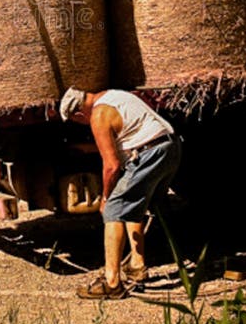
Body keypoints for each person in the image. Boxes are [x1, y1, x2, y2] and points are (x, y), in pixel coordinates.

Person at [59, 86, 182, 300]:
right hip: (170, 146)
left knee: (115, 209)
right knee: (135, 204)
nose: (80, 124)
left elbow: (112, 166)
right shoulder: (114, 95)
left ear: (79, 113)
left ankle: (112, 282)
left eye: (75, 120)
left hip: (149, 152)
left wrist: (105, 198)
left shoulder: (98, 115)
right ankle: (137, 264)